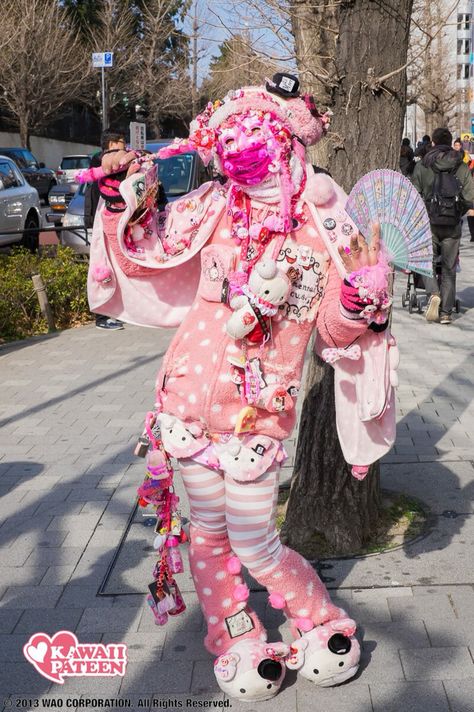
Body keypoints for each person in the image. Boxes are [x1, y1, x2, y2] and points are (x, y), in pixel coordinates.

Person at [88, 74, 394, 701]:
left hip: (255, 417)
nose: (240, 143)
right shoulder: (211, 205)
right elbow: (149, 244)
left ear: (288, 139)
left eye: (255, 130)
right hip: (184, 402)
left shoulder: (321, 221)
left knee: (256, 541)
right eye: (228, 132)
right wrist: (125, 195)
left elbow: (331, 331)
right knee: (206, 532)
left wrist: (362, 297)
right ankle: (235, 636)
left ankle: (320, 622)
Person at [412, 127, 474, 324]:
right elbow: (470, 196)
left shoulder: (423, 165)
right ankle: (446, 313)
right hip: (453, 223)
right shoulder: (461, 165)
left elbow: (414, 194)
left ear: (433, 142)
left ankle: (433, 293)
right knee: (448, 267)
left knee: (426, 262)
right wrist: (458, 211)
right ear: (450, 143)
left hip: (429, 222)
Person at [85, 129, 128, 330]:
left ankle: (114, 311)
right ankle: (101, 316)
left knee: (115, 265)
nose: (123, 147)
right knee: (100, 264)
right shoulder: (100, 161)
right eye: (119, 143)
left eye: (124, 143)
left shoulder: (117, 164)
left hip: (112, 221)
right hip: (99, 222)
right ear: (109, 146)